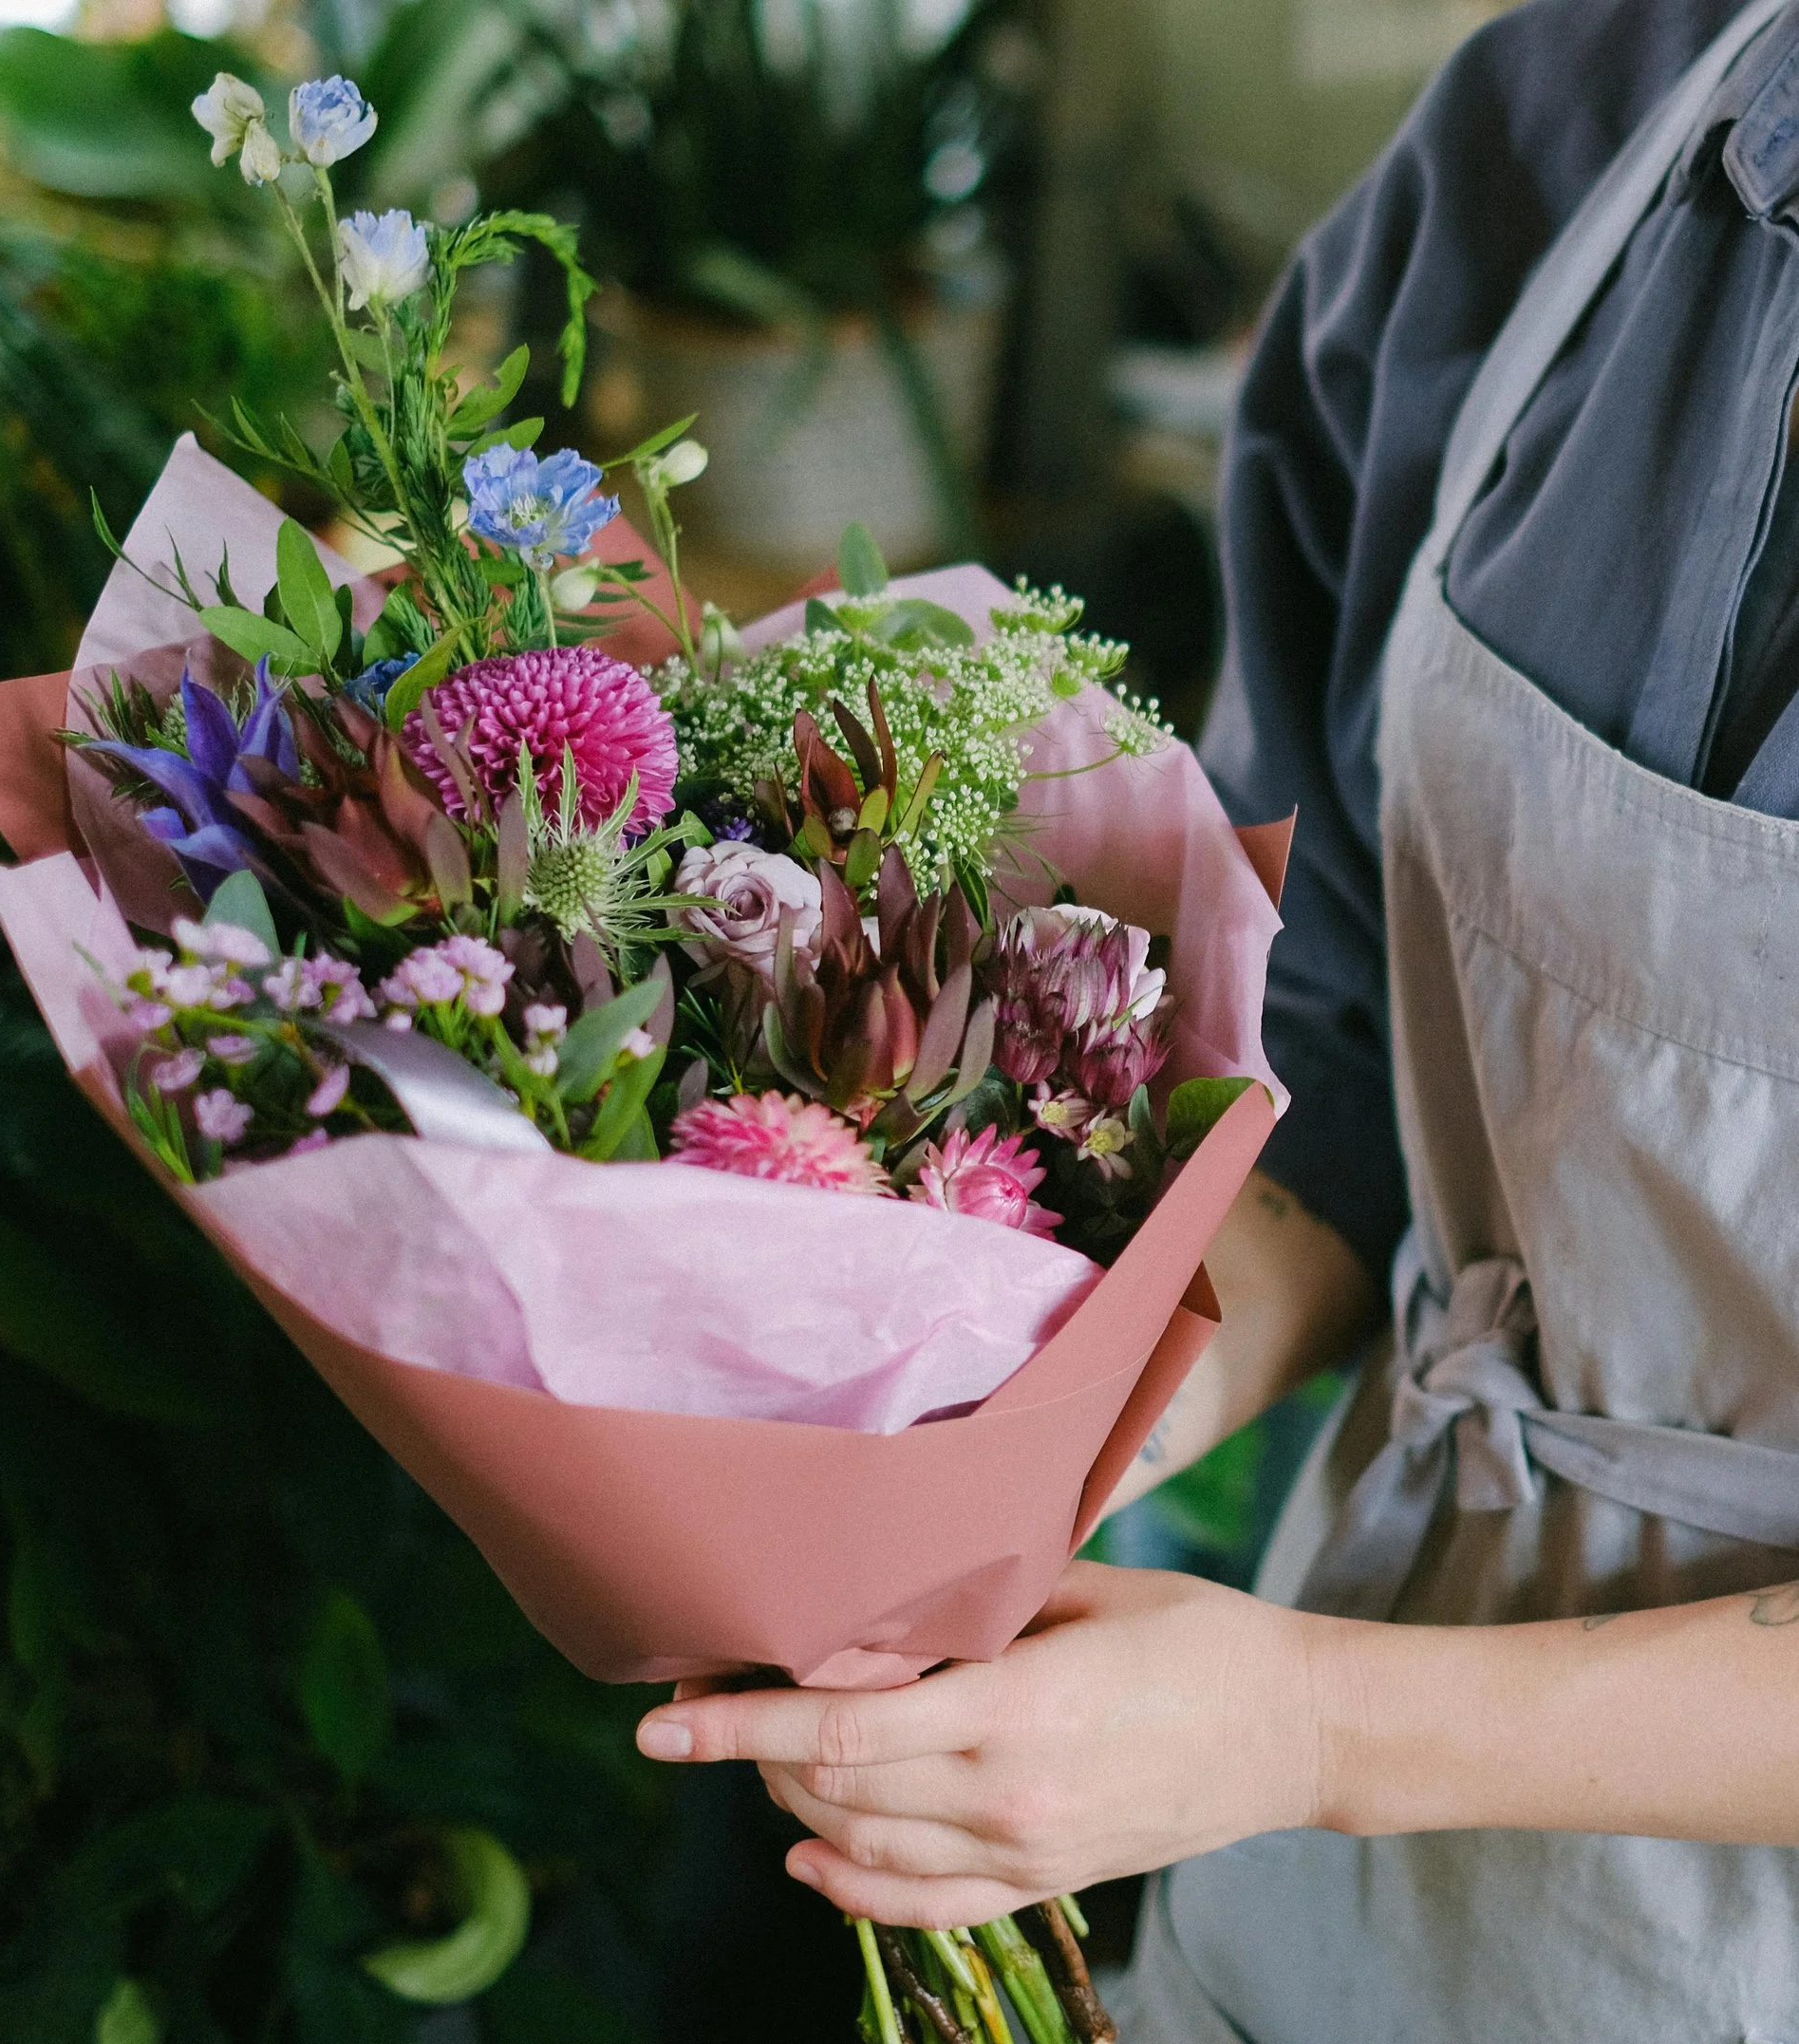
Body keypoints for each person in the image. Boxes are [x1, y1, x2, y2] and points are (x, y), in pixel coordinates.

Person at [629, 0, 1799, 2031]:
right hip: (1322, 1895)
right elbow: (1338, 1062)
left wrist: (1313, 1732)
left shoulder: (1294, 1733)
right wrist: (1001, 1458)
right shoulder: (1574, 123)